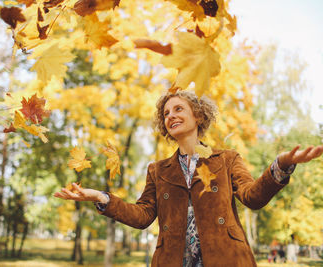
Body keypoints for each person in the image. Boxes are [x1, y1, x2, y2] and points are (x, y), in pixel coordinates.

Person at [54, 90, 323, 267]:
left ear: (198, 115)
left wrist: (282, 164)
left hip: (225, 259)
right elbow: (143, 216)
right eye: (166, 113)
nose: (171, 115)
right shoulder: (157, 170)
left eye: (178, 109)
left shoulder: (226, 159)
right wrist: (100, 197)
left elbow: (253, 197)